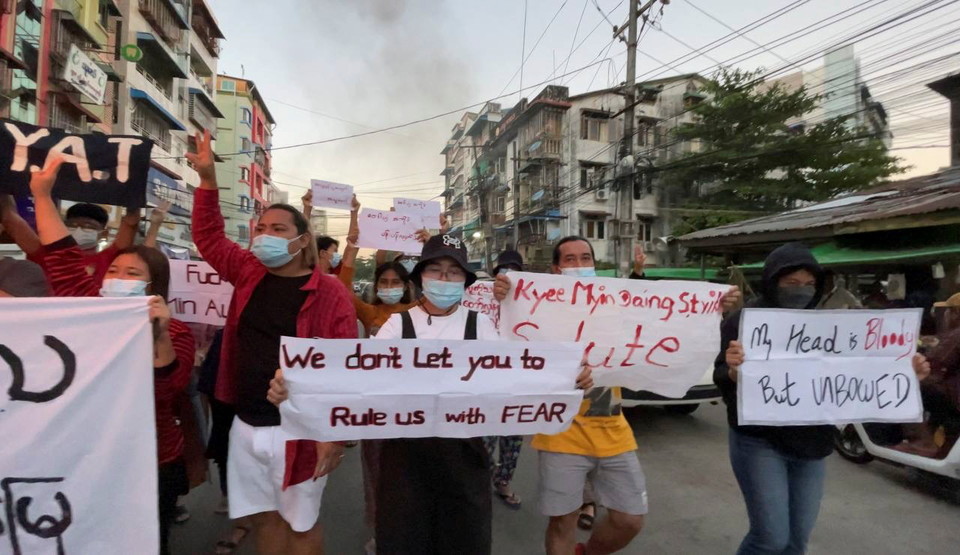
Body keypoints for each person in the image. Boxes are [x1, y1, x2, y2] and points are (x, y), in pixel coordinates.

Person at [269, 233, 593, 554]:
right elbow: (357, 380)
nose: (444, 278)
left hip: (465, 458)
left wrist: (565, 379)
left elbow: (513, 378)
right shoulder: (398, 326)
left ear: (464, 280)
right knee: (405, 542)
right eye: (435, 270)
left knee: (464, 542)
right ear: (421, 275)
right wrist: (298, 385)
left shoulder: (480, 326)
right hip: (404, 460)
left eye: (453, 272)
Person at [494, 236, 741, 555]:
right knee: (562, 522)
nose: (579, 265)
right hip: (561, 433)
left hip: (612, 428)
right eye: (570, 260)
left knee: (630, 520)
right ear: (555, 269)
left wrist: (709, 307)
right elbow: (510, 344)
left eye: (585, 258)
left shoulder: (610, 306)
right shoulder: (537, 307)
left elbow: (653, 317)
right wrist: (502, 297)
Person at [187, 130, 357, 555]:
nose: (265, 235)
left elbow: (344, 368)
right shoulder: (248, 272)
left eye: (278, 228)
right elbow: (208, 238)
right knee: (266, 519)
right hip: (246, 423)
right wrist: (208, 180)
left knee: (301, 527)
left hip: (299, 431)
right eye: (260, 227)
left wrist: (334, 435)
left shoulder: (332, 292)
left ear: (303, 240)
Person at [28, 157, 195, 555]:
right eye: (114, 271)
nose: (118, 279)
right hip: (86, 457)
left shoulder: (176, 331)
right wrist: (41, 195)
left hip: (150, 463)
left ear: (155, 285)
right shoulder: (88, 311)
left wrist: (157, 337)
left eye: (132, 274)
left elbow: (166, 388)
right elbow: (62, 258)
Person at [718, 242, 930, 554]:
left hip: (813, 443)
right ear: (772, 281)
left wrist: (905, 371)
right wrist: (735, 373)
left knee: (796, 540)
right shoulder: (744, 322)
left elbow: (863, 370)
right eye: (791, 283)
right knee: (770, 539)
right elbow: (720, 376)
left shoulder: (831, 327)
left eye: (809, 284)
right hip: (759, 442)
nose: (801, 290)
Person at [0, 192, 140, 281]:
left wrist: (132, 190)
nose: (79, 229)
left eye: (88, 226)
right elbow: (9, 218)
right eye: (72, 224)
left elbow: (131, 222)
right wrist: (6, 182)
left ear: (103, 234)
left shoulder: (111, 260)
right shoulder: (46, 255)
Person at [484, 249, 526, 510]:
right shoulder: (481, 299)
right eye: (504, 268)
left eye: (514, 269)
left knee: (512, 441)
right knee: (484, 441)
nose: (508, 274)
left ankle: (503, 482)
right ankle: (485, 478)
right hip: (487, 385)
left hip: (517, 385)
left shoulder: (532, 302)